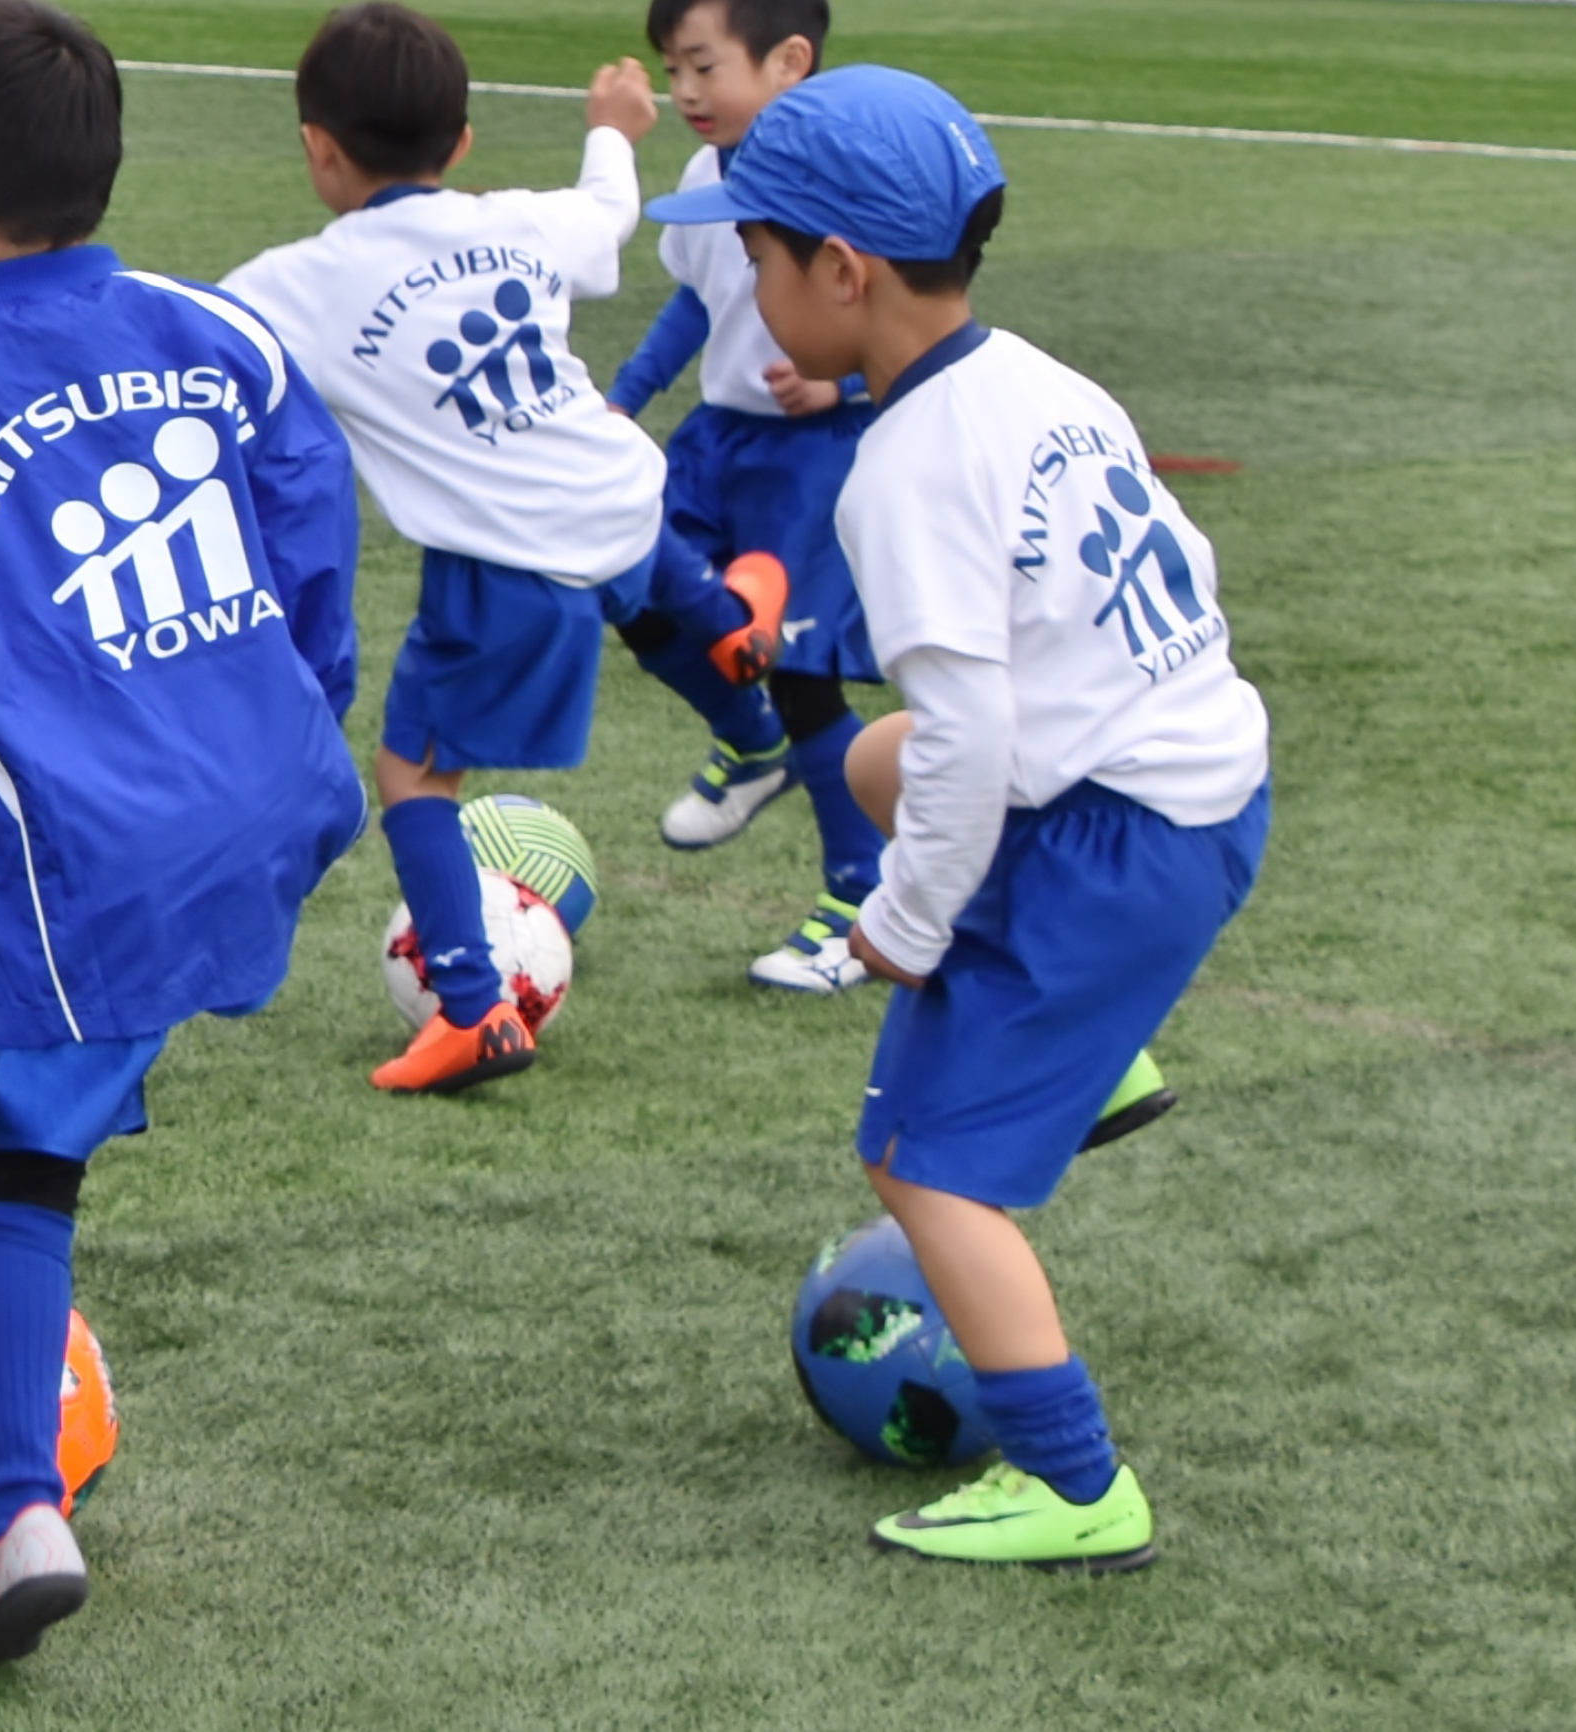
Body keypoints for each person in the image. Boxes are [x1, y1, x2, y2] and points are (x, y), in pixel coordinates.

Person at [0, 0, 367, 1663]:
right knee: (116, 990)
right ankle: (139, 1024)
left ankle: (15, 1503)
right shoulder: (218, 327)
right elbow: (312, 550)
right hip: (280, 791)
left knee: (13, 1142)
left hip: (83, 847)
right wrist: (267, 714)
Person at [658, 64, 1271, 1570]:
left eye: (754, 253)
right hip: (1209, 782)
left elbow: (980, 740)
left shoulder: (905, 468)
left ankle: (1075, 1488)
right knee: (872, 759)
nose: (742, 281)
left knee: (921, 1163)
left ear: (842, 272)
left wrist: (902, 926)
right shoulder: (1041, 382)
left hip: (1114, 843)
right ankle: (1094, 1051)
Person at [215, 2, 784, 1094]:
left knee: (414, 771)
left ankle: (472, 1008)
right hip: (623, 493)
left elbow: (197, 334)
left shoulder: (295, 284)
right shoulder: (515, 220)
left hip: (510, 556)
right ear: (462, 143)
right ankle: (739, 643)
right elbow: (610, 210)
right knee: (656, 586)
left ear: (316, 150)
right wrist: (615, 122)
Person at [610, 0, 891, 984]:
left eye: (699, 66)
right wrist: (625, 399)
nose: (681, 91)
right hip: (715, 442)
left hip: (814, 452)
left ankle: (860, 903)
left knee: (804, 673)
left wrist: (841, 381)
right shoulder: (703, 171)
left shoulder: (847, 174)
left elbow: (908, 308)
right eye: (671, 71)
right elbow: (696, 299)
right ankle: (746, 739)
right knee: (629, 579)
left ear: (788, 61)